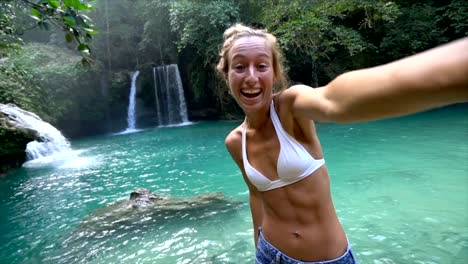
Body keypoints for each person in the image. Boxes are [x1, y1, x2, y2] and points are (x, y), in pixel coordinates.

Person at [217, 23, 468, 264]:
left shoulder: (290, 108)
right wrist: (256, 250)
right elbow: (256, 196)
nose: (251, 77)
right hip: (268, 255)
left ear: (275, 73)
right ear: (226, 74)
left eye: (261, 66)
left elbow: (335, 101)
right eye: (239, 67)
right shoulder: (235, 142)